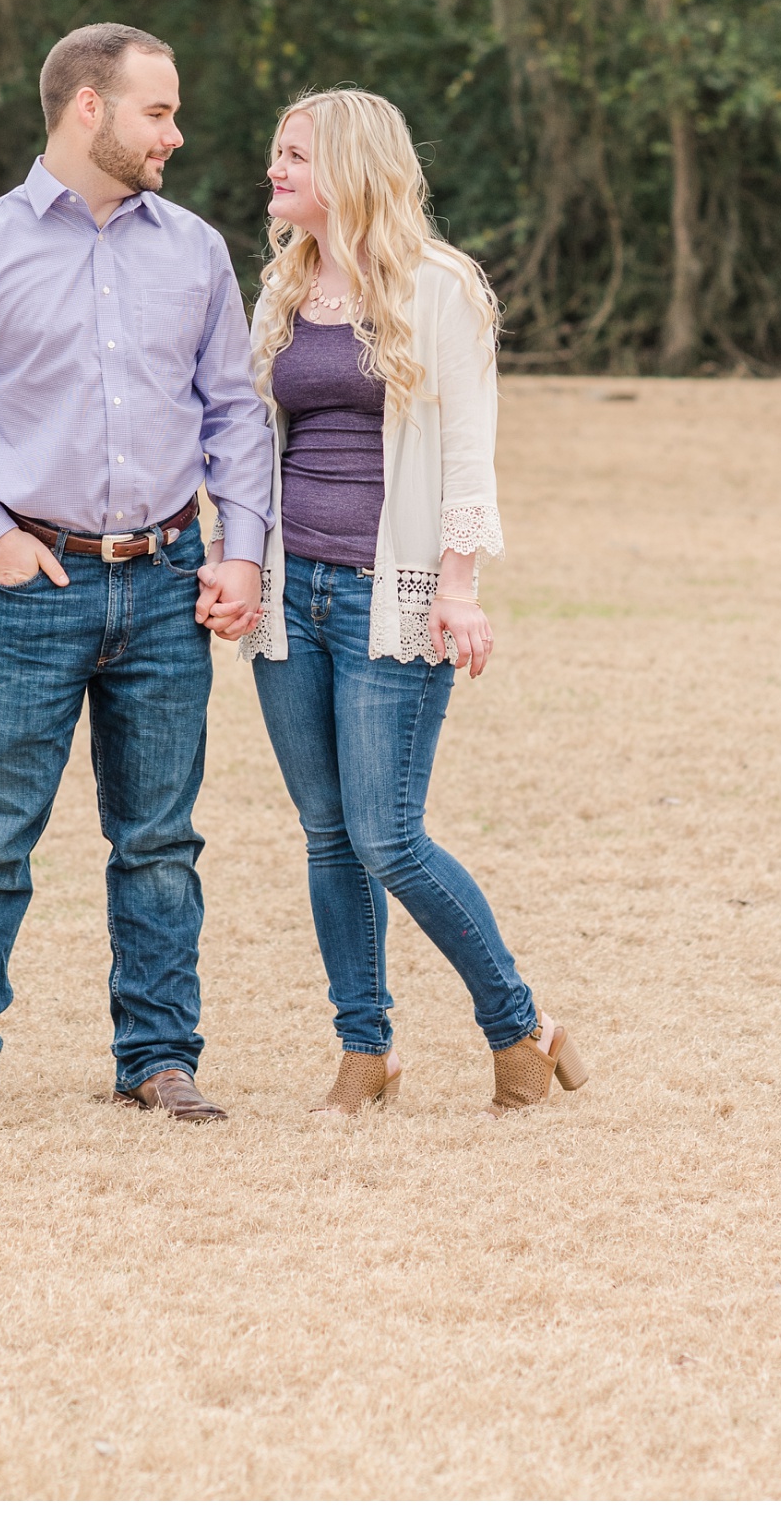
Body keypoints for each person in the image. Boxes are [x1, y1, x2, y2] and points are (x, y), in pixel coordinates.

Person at [0, 23, 275, 1125]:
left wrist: (237, 552)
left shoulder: (192, 250)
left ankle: (157, 1058)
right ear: (86, 110)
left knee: (157, 840)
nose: (176, 133)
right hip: (29, 585)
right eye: (157, 111)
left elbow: (234, 416)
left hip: (164, 577)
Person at [241, 88, 589, 1117]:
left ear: (349, 166)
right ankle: (365, 1051)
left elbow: (468, 447)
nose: (275, 170)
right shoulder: (280, 288)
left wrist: (459, 584)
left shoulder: (438, 289)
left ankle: (518, 1023)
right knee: (323, 832)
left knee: (385, 834)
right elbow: (253, 440)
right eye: (275, 154)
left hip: (381, 598)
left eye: (294, 155)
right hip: (286, 595)